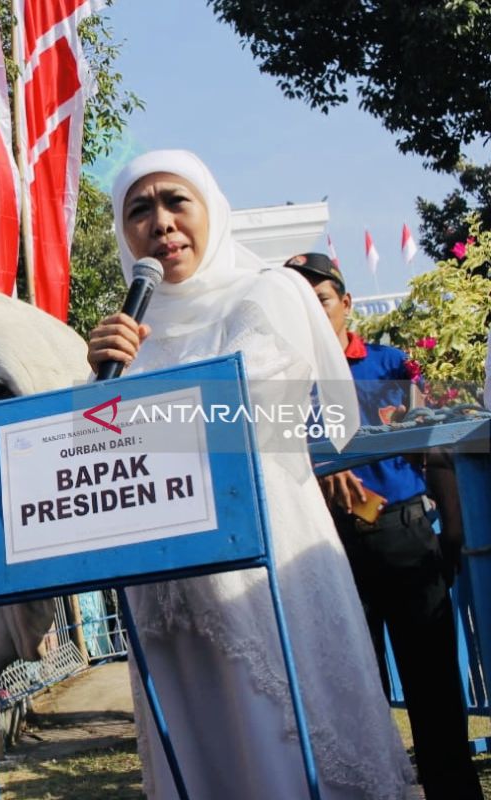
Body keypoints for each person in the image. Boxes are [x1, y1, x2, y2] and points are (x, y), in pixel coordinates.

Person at [86, 150, 414, 799]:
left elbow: (245, 405)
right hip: (169, 592)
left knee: (286, 748)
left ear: (211, 206)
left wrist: (126, 417)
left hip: (262, 576)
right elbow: (98, 454)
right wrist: (94, 384)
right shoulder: (127, 335)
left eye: (177, 200)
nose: (161, 222)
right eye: (139, 209)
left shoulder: (268, 292)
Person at [284, 252, 482, 800]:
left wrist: (454, 535)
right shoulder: (283, 382)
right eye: (298, 303)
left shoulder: (389, 366)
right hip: (328, 549)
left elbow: (435, 448)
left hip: (404, 534)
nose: (311, 313)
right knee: (354, 689)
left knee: (435, 689)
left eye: (320, 300)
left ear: (346, 304)